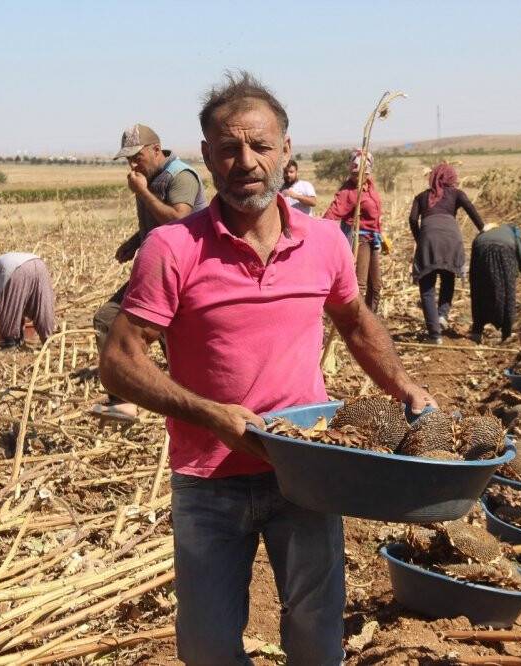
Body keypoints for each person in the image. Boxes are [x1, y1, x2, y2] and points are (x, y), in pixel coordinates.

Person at [98, 71, 435, 665]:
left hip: (307, 470)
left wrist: (403, 384)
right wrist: (209, 414)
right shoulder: (173, 248)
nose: (245, 161)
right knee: (205, 648)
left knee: (314, 630)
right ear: (207, 156)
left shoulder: (325, 241)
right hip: (207, 478)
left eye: (259, 145)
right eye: (228, 148)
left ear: (285, 150)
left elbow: (354, 321)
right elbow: (121, 362)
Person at [91, 124, 207, 422]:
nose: (132, 164)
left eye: (137, 156)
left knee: (176, 337)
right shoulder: (150, 178)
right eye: (128, 159)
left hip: (186, 270)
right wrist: (134, 242)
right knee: (107, 319)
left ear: (156, 150)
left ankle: (191, 403)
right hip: (156, 267)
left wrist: (142, 192)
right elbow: (157, 223)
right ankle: (124, 399)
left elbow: (180, 222)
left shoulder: (180, 176)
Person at [408, 162, 484, 343]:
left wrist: (420, 239)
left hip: (428, 240)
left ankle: (434, 335)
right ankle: (442, 315)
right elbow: (471, 210)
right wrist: (483, 229)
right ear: (452, 178)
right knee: (448, 278)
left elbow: (412, 219)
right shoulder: (457, 194)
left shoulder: (421, 197)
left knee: (427, 289)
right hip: (452, 240)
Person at [322, 151, 384, 312]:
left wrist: (381, 234)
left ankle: (371, 319)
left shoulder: (370, 186)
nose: (357, 177)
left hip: (373, 238)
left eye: (361, 173)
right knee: (360, 284)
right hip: (359, 238)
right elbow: (331, 215)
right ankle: (356, 320)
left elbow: (376, 214)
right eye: (354, 173)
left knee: (376, 285)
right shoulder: (349, 191)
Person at [469, 223, 521, 342]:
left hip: (480, 247)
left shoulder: (484, 233)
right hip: (504, 250)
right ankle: (506, 334)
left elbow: (473, 270)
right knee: (508, 290)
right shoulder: (514, 235)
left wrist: (472, 281)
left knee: (479, 289)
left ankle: (477, 331)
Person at [0, 252, 55, 346]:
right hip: (39, 264)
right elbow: (19, 305)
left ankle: (11, 342)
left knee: (5, 305)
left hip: (16, 269)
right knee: (42, 304)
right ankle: (48, 340)